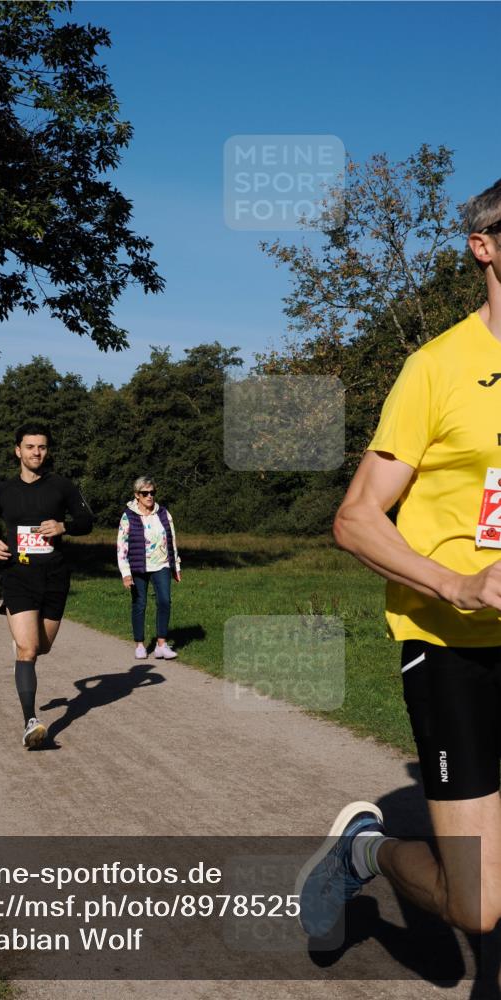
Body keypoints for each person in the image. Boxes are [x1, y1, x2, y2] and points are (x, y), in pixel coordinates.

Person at [297, 179, 501, 940]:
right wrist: (460, 585)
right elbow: (354, 520)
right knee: (476, 907)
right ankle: (365, 852)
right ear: (483, 246)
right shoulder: (436, 368)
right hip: (453, 647)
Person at [0, 422, 94, 749]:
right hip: (19, 575)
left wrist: (63, 526)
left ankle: (22, 645)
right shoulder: (4, 490)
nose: (36, 453)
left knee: (42, 647)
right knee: (28, 650)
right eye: (30, 447)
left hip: (55, 576)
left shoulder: (62, 487)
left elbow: (87, 520)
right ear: (18, 450)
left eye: (41, 447)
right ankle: (30, 721)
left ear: (47, 451)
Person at [117, 476, 182, 660]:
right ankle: (139, 644)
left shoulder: (163, 513)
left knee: (164, 601)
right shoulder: (128, 516)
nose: (149, 496)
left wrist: (176, 565)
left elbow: (172, 540)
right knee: (140, 603)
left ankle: (161, 644)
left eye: (152, 492)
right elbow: (122, 546)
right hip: (138, 566)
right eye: (145, 493)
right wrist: (126, 573)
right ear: (137, 495)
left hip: (161, 564)